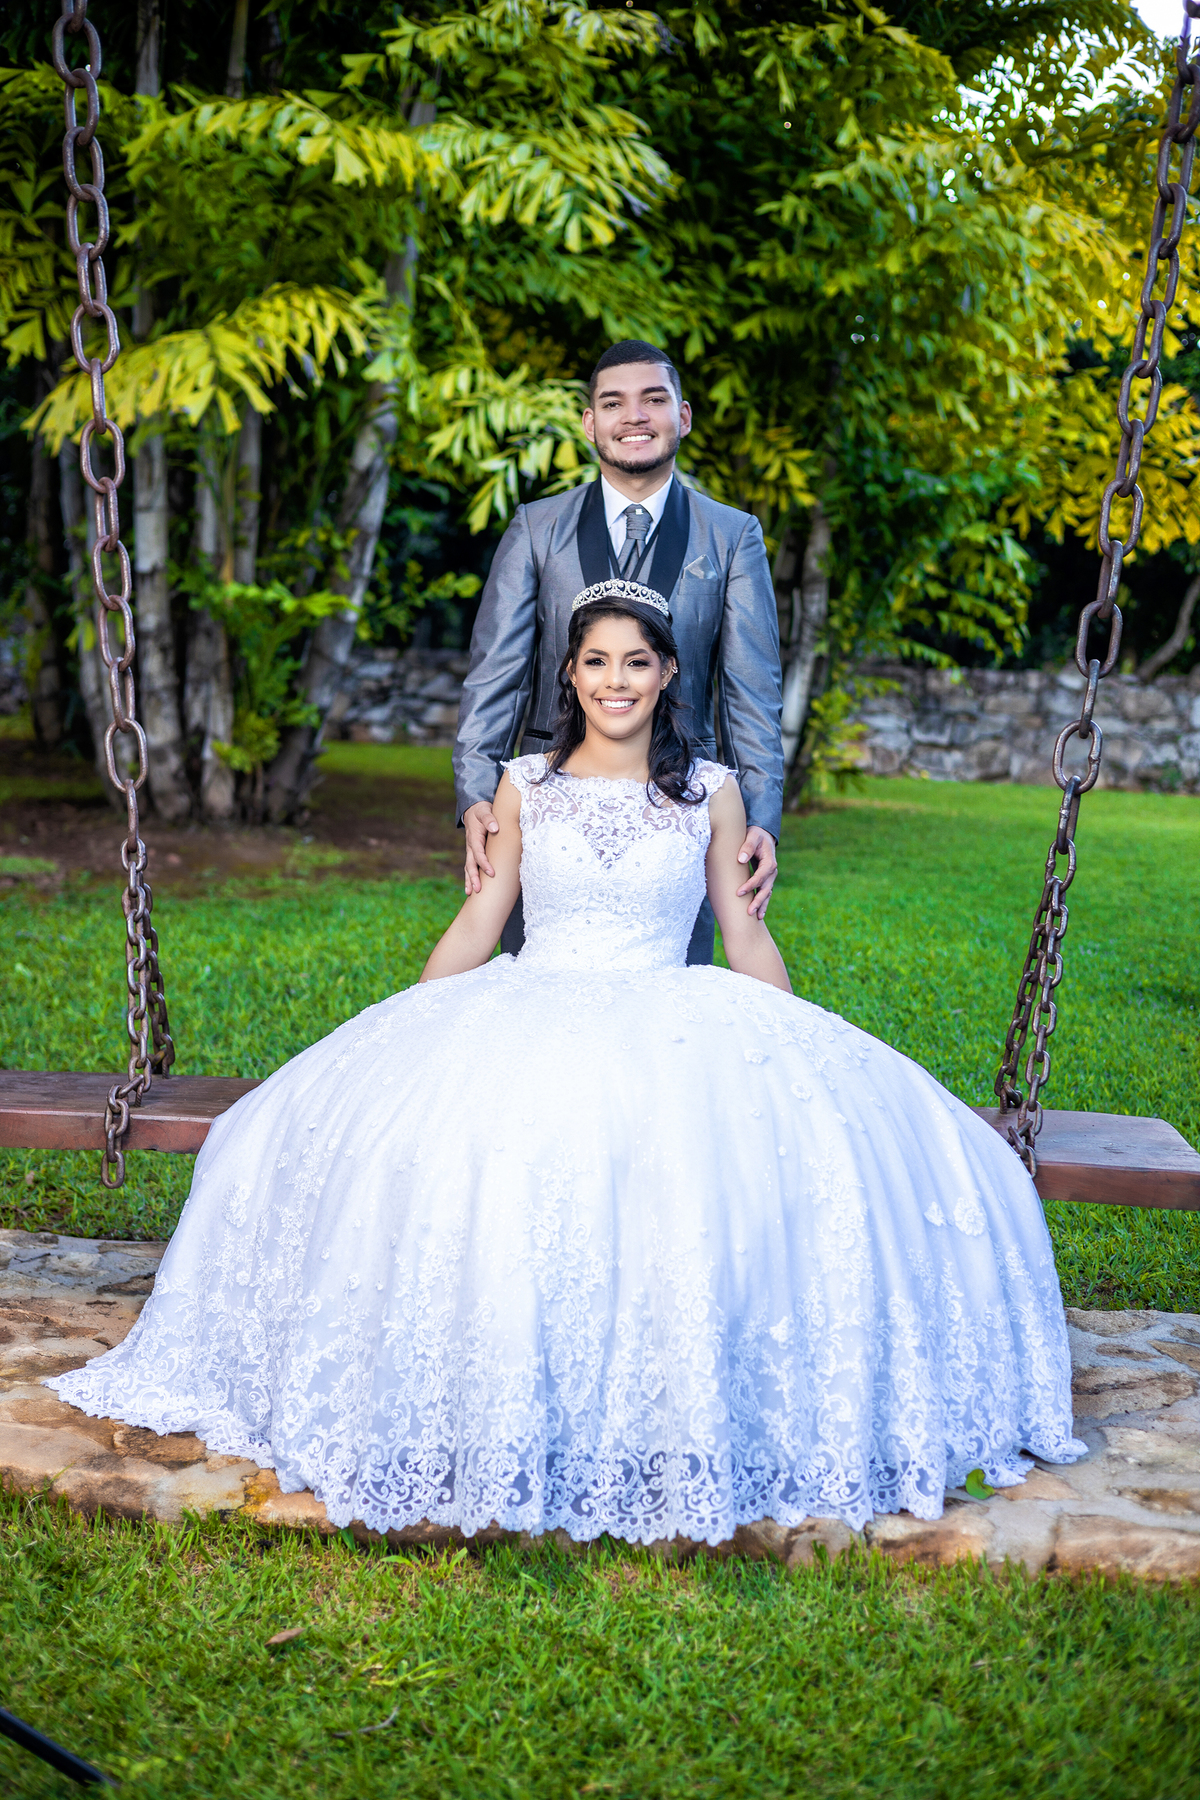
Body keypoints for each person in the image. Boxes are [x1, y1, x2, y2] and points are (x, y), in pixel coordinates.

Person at [48, 580, 1084, 1546]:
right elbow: (482, 919)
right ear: (571, 674)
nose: (615, 681)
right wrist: (407, 1026)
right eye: (596, 662)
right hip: (533, 992)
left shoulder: (713, 792)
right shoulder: (524, 784)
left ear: (667, 673)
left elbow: (743, 933)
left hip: (669, 1008)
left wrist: (801, 1054)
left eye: (637, 662)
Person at [454, 338, 784, 966]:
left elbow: (752, 693)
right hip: (555, 805)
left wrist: (761, 815)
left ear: (682, 416)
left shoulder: (732, 535)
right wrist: (475, 793)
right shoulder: (536, 529)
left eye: (653, 400)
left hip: (676, 807)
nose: (634, 416)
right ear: (590, 423)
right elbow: (495, 678)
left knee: (671, 985)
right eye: (613, 403)